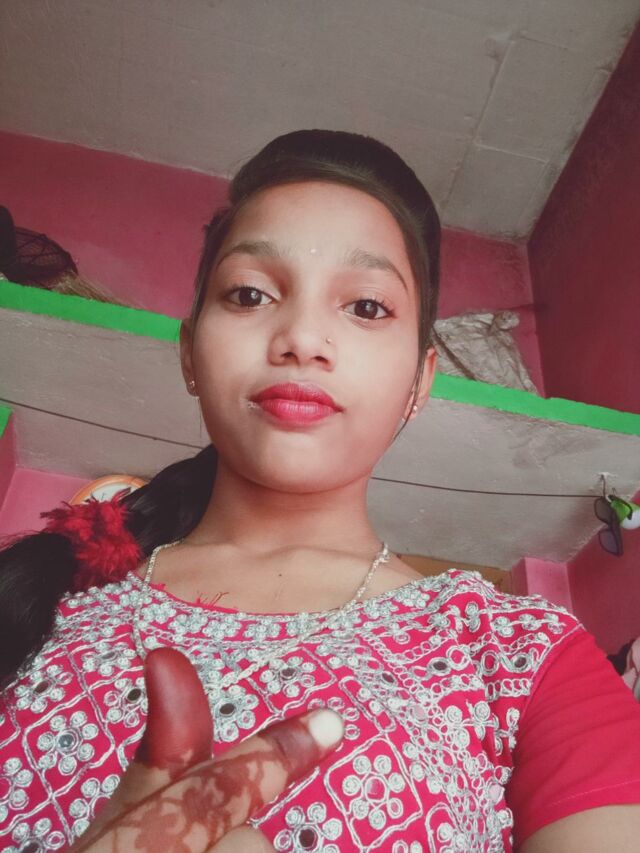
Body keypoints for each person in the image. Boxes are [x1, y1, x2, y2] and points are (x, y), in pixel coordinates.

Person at [1, 129, 640, 852]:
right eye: (250, 294)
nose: (302, 338)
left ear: (420, 380)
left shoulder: (523, 655)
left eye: (366, 306)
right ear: (189, 352)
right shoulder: (40, 598)